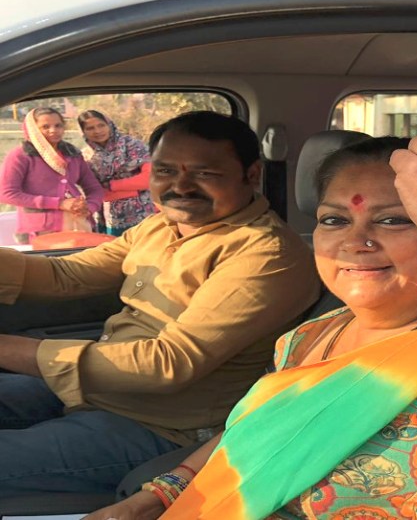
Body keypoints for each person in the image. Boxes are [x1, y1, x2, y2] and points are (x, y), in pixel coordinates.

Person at [86, 43, 417, 520]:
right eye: (334, 220)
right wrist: (160, 494)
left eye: (393, 220)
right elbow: (253, 432)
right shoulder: (312, 335)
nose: (356, 242)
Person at [0, 111, 321, 496]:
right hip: (99, 390)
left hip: (161, 428)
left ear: (251, 175)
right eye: (165, 171)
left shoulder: (266, 254)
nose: (180, 186)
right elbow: (69, 274)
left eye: (204, 173)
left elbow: (168, 363)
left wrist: (7, 349)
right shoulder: (162, 225)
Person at [0, 107, 105, 244]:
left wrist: (89, 208)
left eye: (58, 125)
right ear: (33, 129)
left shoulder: (72, 153)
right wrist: (59, 204)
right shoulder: (21, 156)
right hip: (40, 231)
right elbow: (6, 193)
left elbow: (94, 188)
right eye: (45, 127)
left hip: (79, 226)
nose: (53, 130)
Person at [78, 110, 158, 236]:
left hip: (143, 212)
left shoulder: (131, 145)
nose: (97, 131)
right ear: (83, 131)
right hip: (107, 217)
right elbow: (93, 190)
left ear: (109, 124)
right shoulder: (85, 155)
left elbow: (150, 178)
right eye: (90, 128)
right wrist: (133, 190)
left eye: (101, 125)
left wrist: (112, 186)